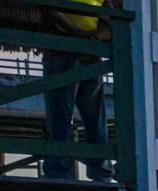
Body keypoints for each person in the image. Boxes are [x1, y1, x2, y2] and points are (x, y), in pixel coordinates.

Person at [42, 0, 114, 181]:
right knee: (65, 119)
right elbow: (50, 7)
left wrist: (95, 34)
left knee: (89, 120)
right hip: (64, 52)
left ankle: (65, 172)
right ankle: (96, 172)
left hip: (87, 56)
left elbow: (111, 23)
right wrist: (80, 33)